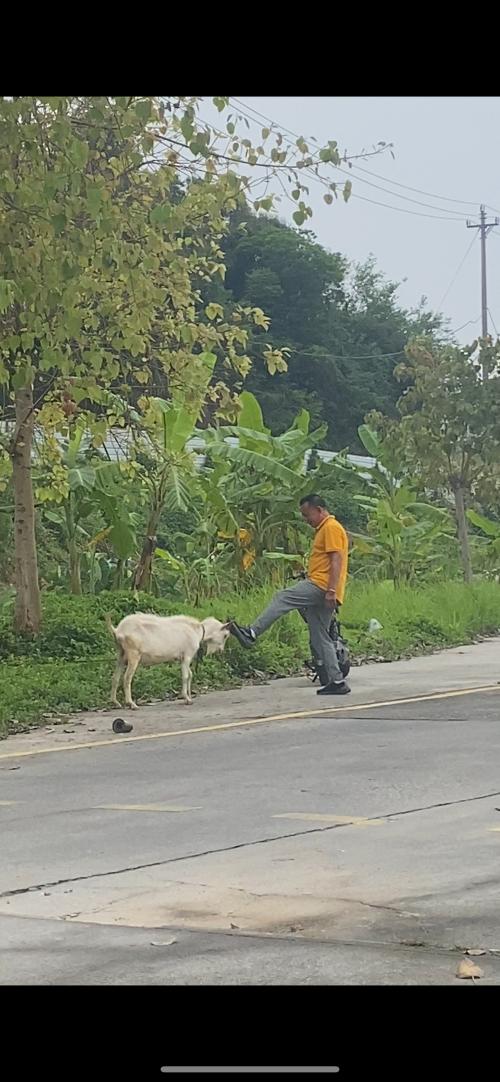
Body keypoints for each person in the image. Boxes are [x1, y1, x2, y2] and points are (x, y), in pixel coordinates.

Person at [229, 494, 351, 695]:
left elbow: (336, 559)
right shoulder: (326, 529)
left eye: (307, 515)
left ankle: (252, 633)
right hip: (325, 587)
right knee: (320, 637)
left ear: (319, 510)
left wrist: (331, 590)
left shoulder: (331, 527)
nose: (306, 519)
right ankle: (337, 681)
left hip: (321, 585)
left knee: (283, 597)